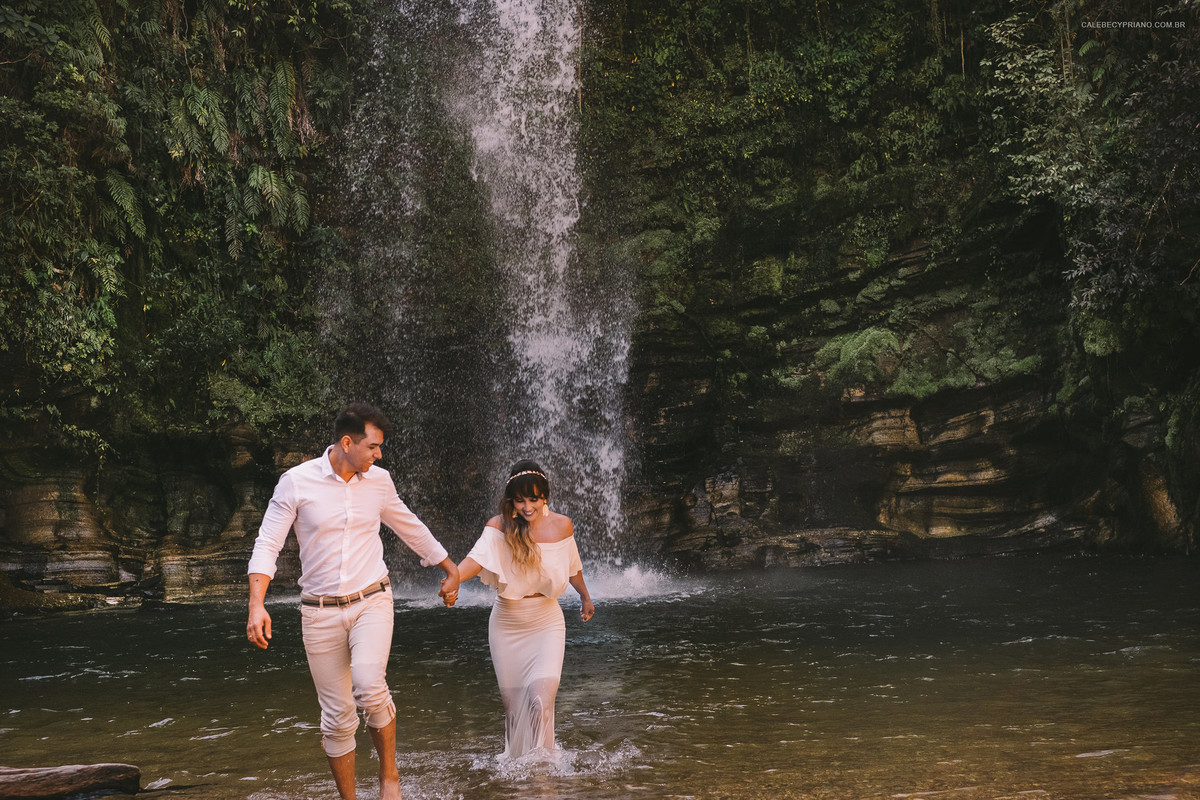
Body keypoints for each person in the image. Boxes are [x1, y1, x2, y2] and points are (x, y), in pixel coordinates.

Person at [245, 402, 459, 800]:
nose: (379, 454)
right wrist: (257, 604)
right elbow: (268, 542)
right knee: (337, 718)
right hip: (319, 611)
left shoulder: (379, 481)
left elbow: (407, 524)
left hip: (372, 600)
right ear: (347, 442)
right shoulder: (296, 482)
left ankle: (389, 776)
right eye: (374, 446)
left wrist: (450, 567)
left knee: (368, 685)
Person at [446, 460, 595, 760]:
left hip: (547, 623)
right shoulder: (499, 526)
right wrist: (454, 579)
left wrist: (585, 598)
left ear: (545, 497)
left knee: (541, 700)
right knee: (514, 711)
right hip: (507, 625)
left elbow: (572, 567)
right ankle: (516, 773)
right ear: (511, 500)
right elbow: (476, 560)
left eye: (534, 499)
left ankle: (543, 772)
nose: (527, 507)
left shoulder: (563, 525)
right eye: (520, 499)